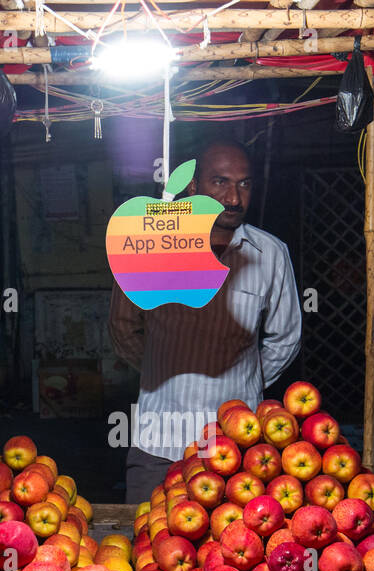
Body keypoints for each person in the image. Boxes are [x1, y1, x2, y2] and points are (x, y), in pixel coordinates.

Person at [109, 140, 302, 503]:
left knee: (229, 553)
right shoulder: (150, 246)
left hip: (236, 453)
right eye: (220, 182)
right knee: (146, 551)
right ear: (194, 187)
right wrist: (164, 368)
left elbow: (285, 337)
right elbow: (122, 326)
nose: (233, 197)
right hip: (159, 445)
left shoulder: (271, 254)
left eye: (244, 184)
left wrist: (242, 376)